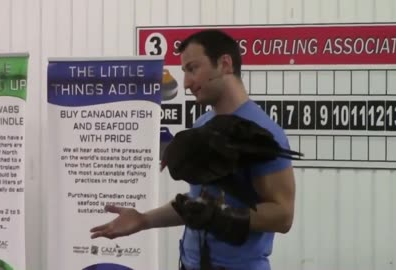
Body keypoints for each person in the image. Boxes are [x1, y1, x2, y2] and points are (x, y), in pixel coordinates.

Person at [90, 29, 296, 270]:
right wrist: (144, 220)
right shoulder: (201, 125)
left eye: (192, 68)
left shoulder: (264, 132)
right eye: (184, 72)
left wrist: (220, 217)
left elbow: (283, 216)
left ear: (225, 64)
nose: (186, 82)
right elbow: (197, 205)